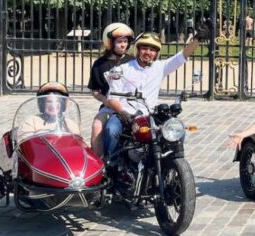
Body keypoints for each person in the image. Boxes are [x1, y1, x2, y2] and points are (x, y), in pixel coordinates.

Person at [104, 25, 211, 165]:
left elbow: (182, 55)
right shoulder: (121, 70)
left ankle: (171, 163)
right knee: (111, 129)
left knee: (178, 129)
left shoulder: (160, 67)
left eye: (153, 50)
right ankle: (112, 164)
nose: (148, 52)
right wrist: (124, 113)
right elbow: (112, 99)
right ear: (137, 49)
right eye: (144, 48)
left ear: (157, 53)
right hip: (125, 115)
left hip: (149, 115)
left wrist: (197, 39)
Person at [87, 22, 134, 155]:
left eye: (125, 41)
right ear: (110, 43)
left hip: (131, 104)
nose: (123, 44)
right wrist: (105, 100)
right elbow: (95, 91)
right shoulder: (99, 64)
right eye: (119, 41)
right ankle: (100, 162)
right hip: (109, 106)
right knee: (97, 126)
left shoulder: (133, 61)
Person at [16, 82, 80, 141]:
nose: (53, 105)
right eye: (49, 102)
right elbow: (26, 145)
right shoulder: (31, 122)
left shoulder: (70, 124)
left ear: (62, 104)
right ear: (42, 104)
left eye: (57, 101)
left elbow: (78, 144)